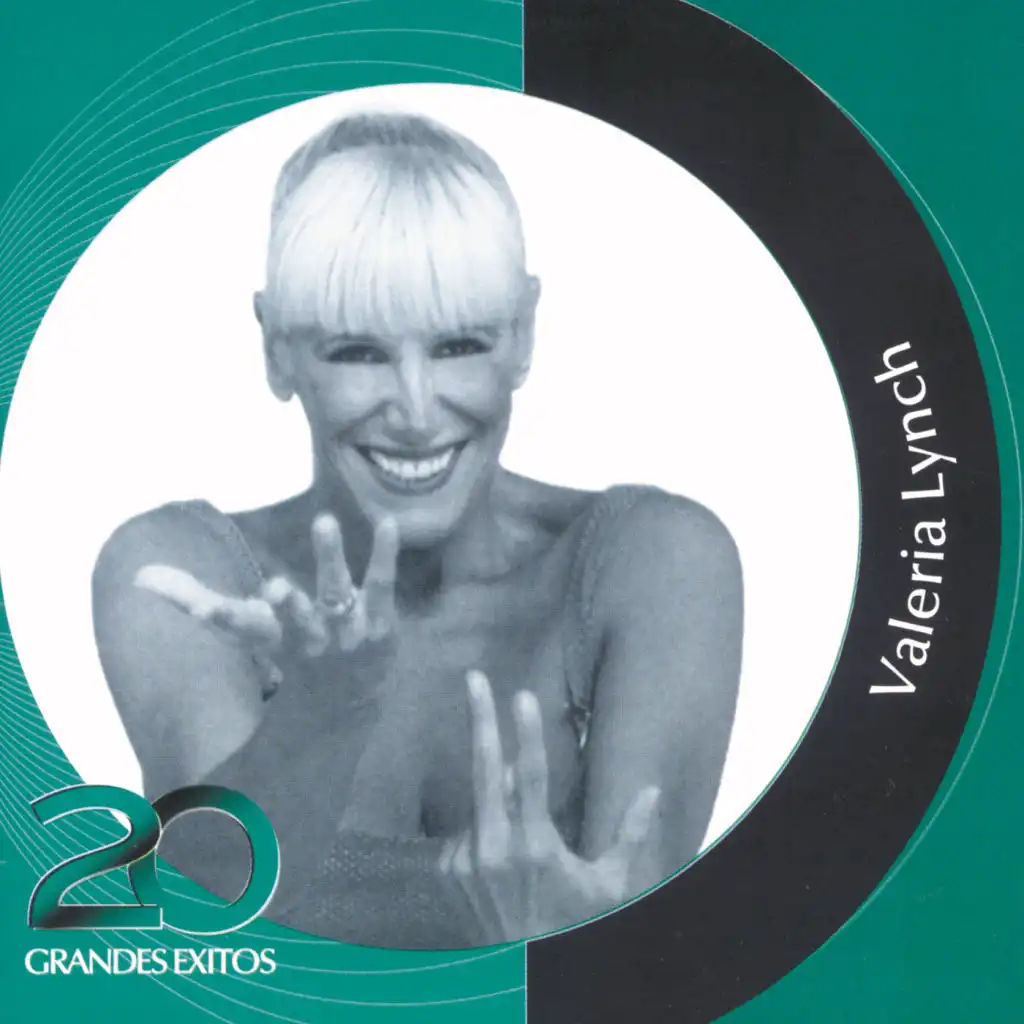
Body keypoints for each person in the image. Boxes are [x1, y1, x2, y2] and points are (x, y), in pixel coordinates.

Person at [91, 109, 743, 948]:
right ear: (277, 349)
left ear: (524, 334)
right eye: (357, 352)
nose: (416, 410)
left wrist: (336, 870)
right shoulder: (177, 571)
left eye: (459, 344)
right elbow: (217, 888)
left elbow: (635, 935)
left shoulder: (657, 561)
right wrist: (323, 711)